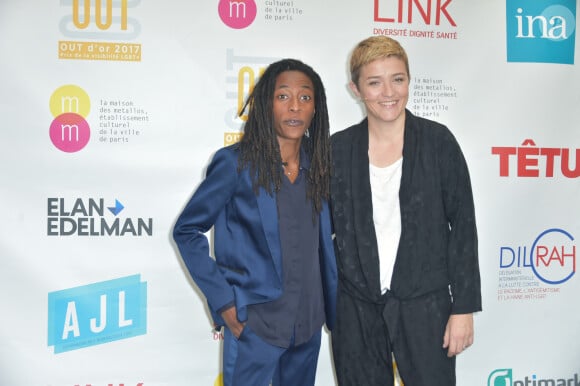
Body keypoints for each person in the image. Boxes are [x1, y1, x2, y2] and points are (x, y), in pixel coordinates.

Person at [173, 58, 337, 386]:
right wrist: (224, 302)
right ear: (265, 104)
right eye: (283, 96)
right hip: (256, 325)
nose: (294, 107)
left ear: (315, 108)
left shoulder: (320, 166)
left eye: (305, 98)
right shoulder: (235, 164)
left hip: (307, 325)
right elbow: (187, 230)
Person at [329, 36, 482, 386]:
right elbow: (315, 228)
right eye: (374, 82)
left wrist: (463, 309)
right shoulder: (337, 150)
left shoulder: (438, 141)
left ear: (409, 81)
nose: (388, 92)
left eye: (397, 79)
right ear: (355, 88)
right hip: (356, 309)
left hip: (425, 307)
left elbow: (463, 226)